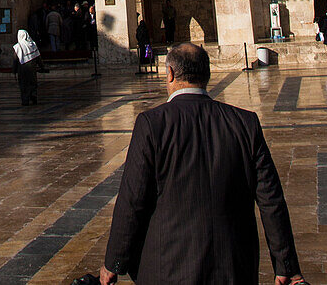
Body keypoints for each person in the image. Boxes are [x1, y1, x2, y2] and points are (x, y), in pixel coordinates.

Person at [98, 43, 305, 285]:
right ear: (206, 75)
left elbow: (132, 201)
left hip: (168, 270)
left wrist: (114, 263)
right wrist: (285, 265)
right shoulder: (245, 123)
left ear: (170, 74)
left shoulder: (152, 124)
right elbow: (272, 201)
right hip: (233, 268)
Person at [12, 29, 42, 105]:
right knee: (32, 82)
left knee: (23, 84)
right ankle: (33, 95)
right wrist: (42, 66)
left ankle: (25, 100)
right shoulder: (32, 44)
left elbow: (15, 59)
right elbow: (38, 57)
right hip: (32, 68)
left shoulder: (18, 47)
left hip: (22, 69)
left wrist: (14, 70)